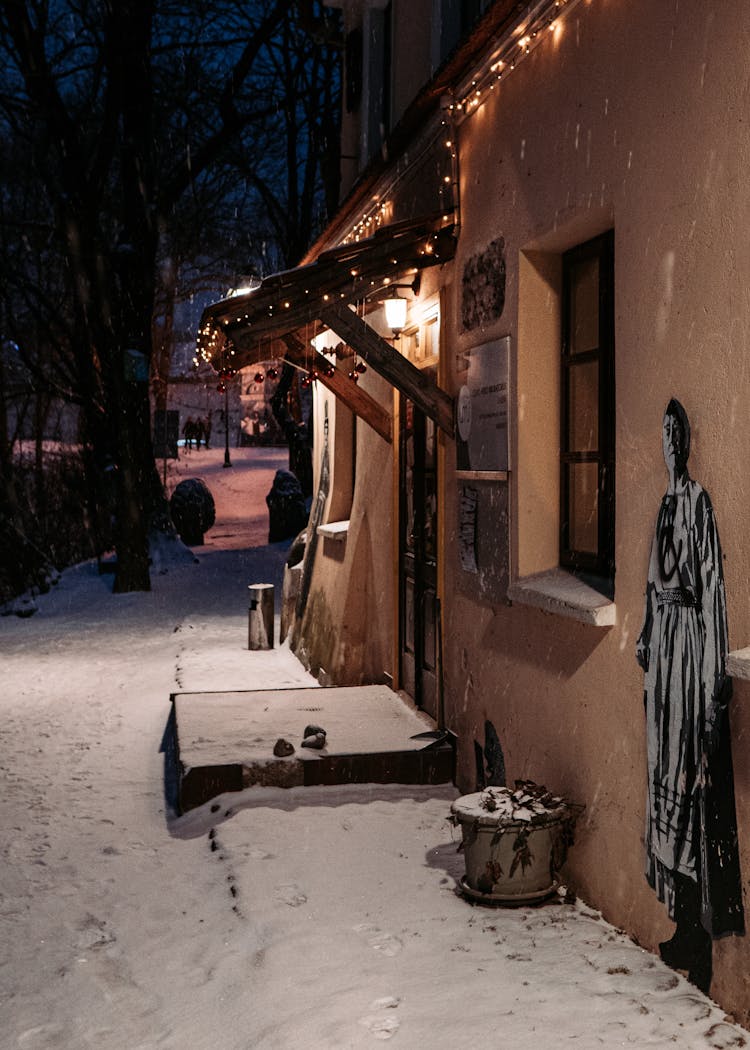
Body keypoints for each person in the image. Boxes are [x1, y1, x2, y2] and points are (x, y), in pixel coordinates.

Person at [636, 398, 744, 994]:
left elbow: (713, 593)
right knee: (663, 779)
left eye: (677, 432)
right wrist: (646, 634)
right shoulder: (663, 506)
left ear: (688, 441)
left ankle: (699, 936)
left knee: (689, 779)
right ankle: (680, 923)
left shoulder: (699, 505)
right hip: (665, 658)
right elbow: (655, 585)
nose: (670, 442)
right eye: (664, 432)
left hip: (693, 655)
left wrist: (711, 679)